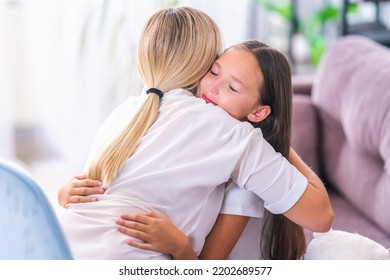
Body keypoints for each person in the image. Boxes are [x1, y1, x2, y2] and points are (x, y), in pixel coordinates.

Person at [58, 6, 333, 260]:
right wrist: (270, 136)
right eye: (213, 72)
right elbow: (321, 216)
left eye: (233, 88)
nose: (213, 88)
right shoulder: (233, 135)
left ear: (259, 112)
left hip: (60, 244)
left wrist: (63, 195)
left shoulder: (129, 109)